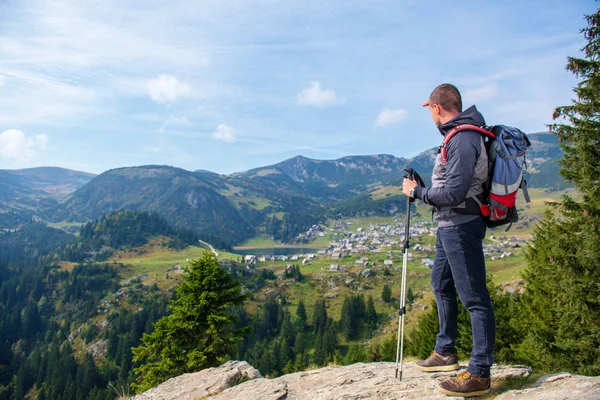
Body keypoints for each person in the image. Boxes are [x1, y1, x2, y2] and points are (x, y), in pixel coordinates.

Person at [402, 83, 495, 397]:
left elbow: (454, 194)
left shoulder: (464, 138)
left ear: (435, 108)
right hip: (449, 225)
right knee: (440, 283)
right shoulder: (459, 136)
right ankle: (445, 351)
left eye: (429, 109)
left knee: (474, 298)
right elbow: (452, 188)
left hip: (460, 225)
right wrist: (426, 188)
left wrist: (417, 192)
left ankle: (480, 373)